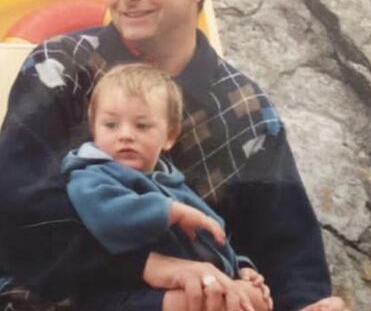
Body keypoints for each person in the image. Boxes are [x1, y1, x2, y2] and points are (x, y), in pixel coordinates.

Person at [0, 0, 351, 311]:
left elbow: (287, 252)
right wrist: (153, 268)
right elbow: (19, 214)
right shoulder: (58, 67)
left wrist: (306, 303)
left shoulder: (246, 112)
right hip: (32, 293)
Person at [62, 63, 272, 311]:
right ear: (94, 128)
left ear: (170, 136)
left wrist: (240, 267)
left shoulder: (172, 182)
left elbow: (211, 233)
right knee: (219, 303)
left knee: (255, 299)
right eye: (111, 125)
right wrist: (171, 211)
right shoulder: (92, 175)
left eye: (141, 126)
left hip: (187, 282)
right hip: (121, 293)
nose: (125, 135)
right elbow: (106, 214)